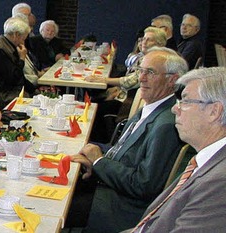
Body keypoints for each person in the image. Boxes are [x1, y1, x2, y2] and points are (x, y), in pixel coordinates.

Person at [71, 47, 188, 232]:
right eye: (141, 70)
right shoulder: (151, 107)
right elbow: (121, 151)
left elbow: (144, 185)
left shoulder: (166, 124)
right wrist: (91, 156)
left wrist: (99, 161)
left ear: (172, 80)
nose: (141, 77)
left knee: (49, 207)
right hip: (109, 187)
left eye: (150, 72)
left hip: (120, 206)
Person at [129, 67, 226, 232]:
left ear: (214, 111)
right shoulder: (206, 160)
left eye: (186, 101)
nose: (175, 108)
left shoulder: (219, 183)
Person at [0, 17, 33, 109]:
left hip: (12, 90)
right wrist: (22, 59)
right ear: (16, 35)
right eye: (23, 39)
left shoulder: (7, 46)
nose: (23, 42)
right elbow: (13, 79)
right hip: (3, 95)